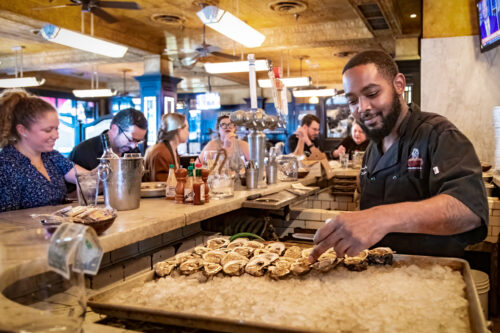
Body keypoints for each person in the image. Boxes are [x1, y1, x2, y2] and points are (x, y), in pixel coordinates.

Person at [309, 50, 488, 261]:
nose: (362, 108)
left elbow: (468, 210)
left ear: (399, 85)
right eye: (352, 100)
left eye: (372, 93)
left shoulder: (438, 134)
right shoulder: (372, 151)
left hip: (431, 277)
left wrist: (380, 218)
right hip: (380, 276)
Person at [0, 89, 88, 212]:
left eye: (56, 129)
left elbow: (89, 179)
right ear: (23, 130)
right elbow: (5, 220)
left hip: (56, 228)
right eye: (48, 130)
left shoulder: (51, 156)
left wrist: (112, 166)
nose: (56, 135)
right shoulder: (6, 165)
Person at [69, 108, 147, 170]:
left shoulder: (134, 151)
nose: (134, 146)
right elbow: (71, 190)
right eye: (130, 139)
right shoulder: (83, 152)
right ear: (114, 128)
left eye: (138, 141)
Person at [144, 113, 189, 181]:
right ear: (179, 130)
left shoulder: (169, 149)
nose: (188, 133)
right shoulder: (161, 153)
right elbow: (164, 185)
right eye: (187, 129)